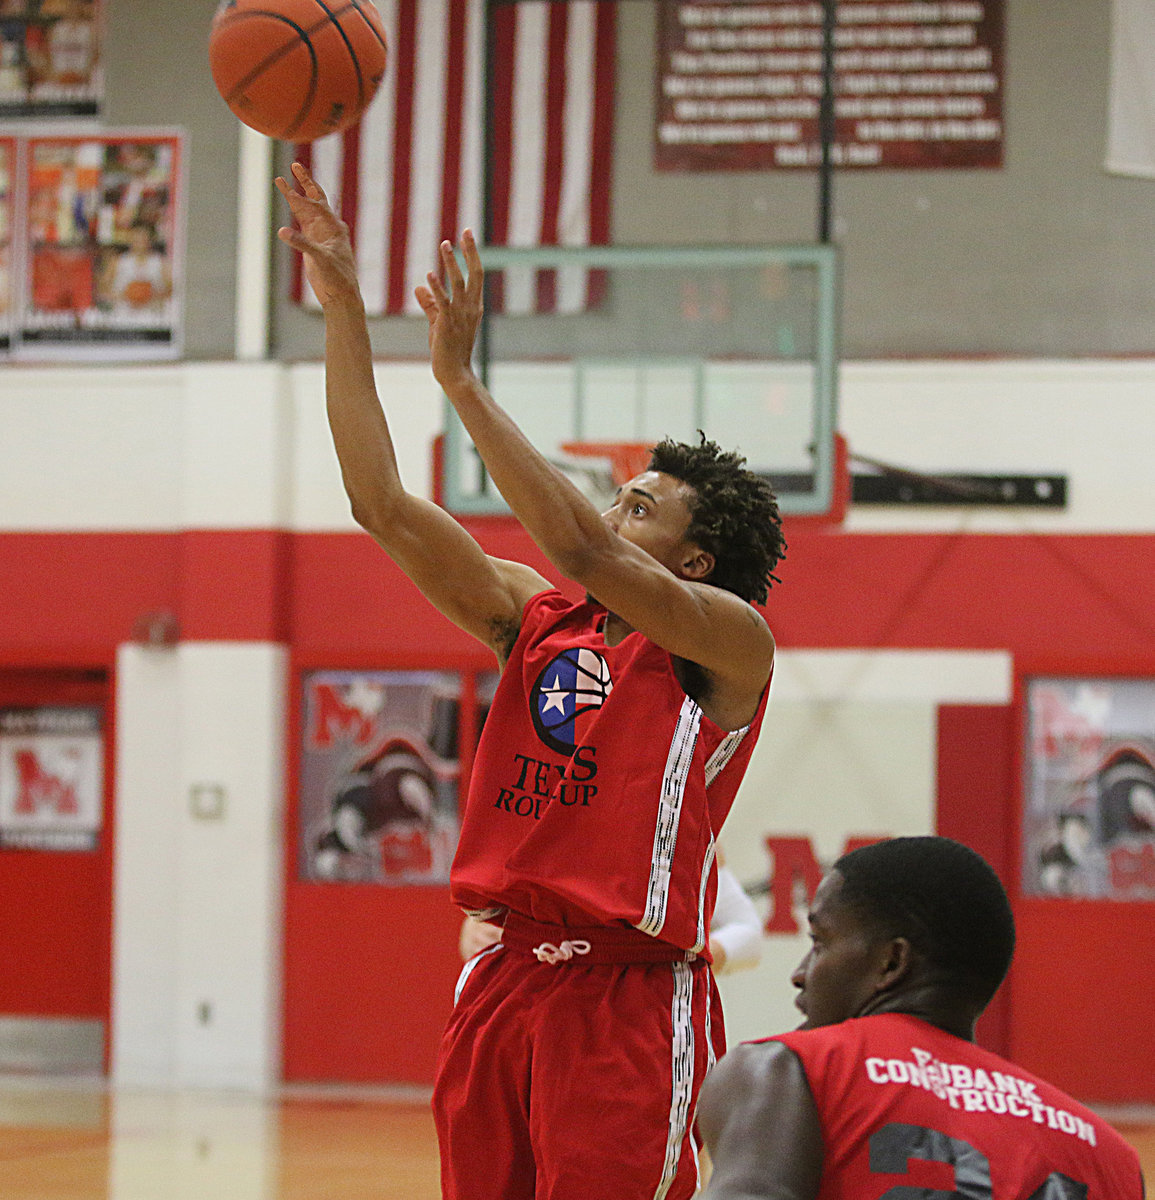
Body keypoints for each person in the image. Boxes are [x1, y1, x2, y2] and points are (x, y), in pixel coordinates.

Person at [276, 160, 787, 1200]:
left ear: (694, 562)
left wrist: (462, 383)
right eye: (619, 494)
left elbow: (589, 555)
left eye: (640, 506)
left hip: (627, 997)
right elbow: (381, 504)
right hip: (504, 980)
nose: (611, 511)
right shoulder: (539, 622)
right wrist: (343, 313)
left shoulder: (726, 644)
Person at [697, 836, 1146, 1199]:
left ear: (892, 964)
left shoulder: (784, 1073)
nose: (800, 975)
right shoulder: (1110, 1157)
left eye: (819, 942)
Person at [458, 858, 764, 975]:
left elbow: (748, 934)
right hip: (535, 1013)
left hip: (640, 1023)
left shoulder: (672, 819)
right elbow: (480, 925)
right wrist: (477, 930)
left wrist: (675, 960)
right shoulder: (537, 802)